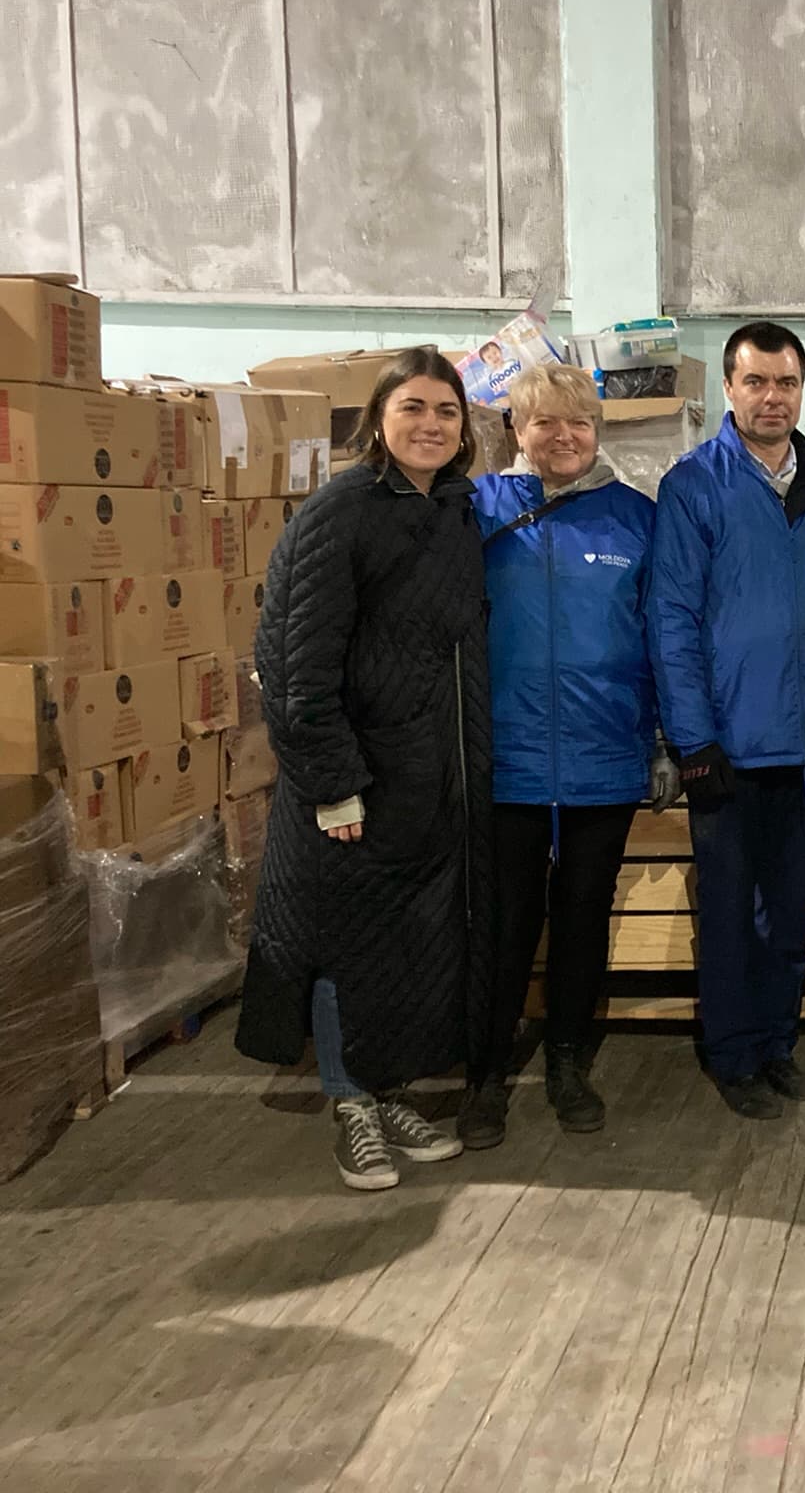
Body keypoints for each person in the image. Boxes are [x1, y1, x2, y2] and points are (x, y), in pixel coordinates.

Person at [235, 347, 491, 1191]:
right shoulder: (341, 511)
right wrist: (332, 780)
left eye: (446, 412)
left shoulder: (453, 511)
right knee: (344, 941)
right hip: (354, 783)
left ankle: (386, 1092)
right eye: (413, 408)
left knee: (404, 945)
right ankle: (351, 1107)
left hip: (427, 781)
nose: (430, 425)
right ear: (379, 420)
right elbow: (294, 658)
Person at [462, 364, 678, 1150]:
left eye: (578, 423)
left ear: (599, 430)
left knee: (584, 921)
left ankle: (565, 1062)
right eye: (544, 422)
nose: (563, 437)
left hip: (603, 759)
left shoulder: (635, 520)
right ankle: (485, 1076)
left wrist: (661, 743)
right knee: (504, 925)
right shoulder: (477, 511)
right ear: (517, 430)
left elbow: (661, 638)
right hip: (506, 762)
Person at [650, 322, 805, 1119]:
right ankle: (731, 1053)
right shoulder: (694, 486)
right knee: (733, 912)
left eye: (786, 384)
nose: (772, 398)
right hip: (728, 746)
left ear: (802, 390)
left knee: (791, 913)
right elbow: (672, 617)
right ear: (729, 391)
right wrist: (694, 740)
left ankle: (777, 1042)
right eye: (755, 383)